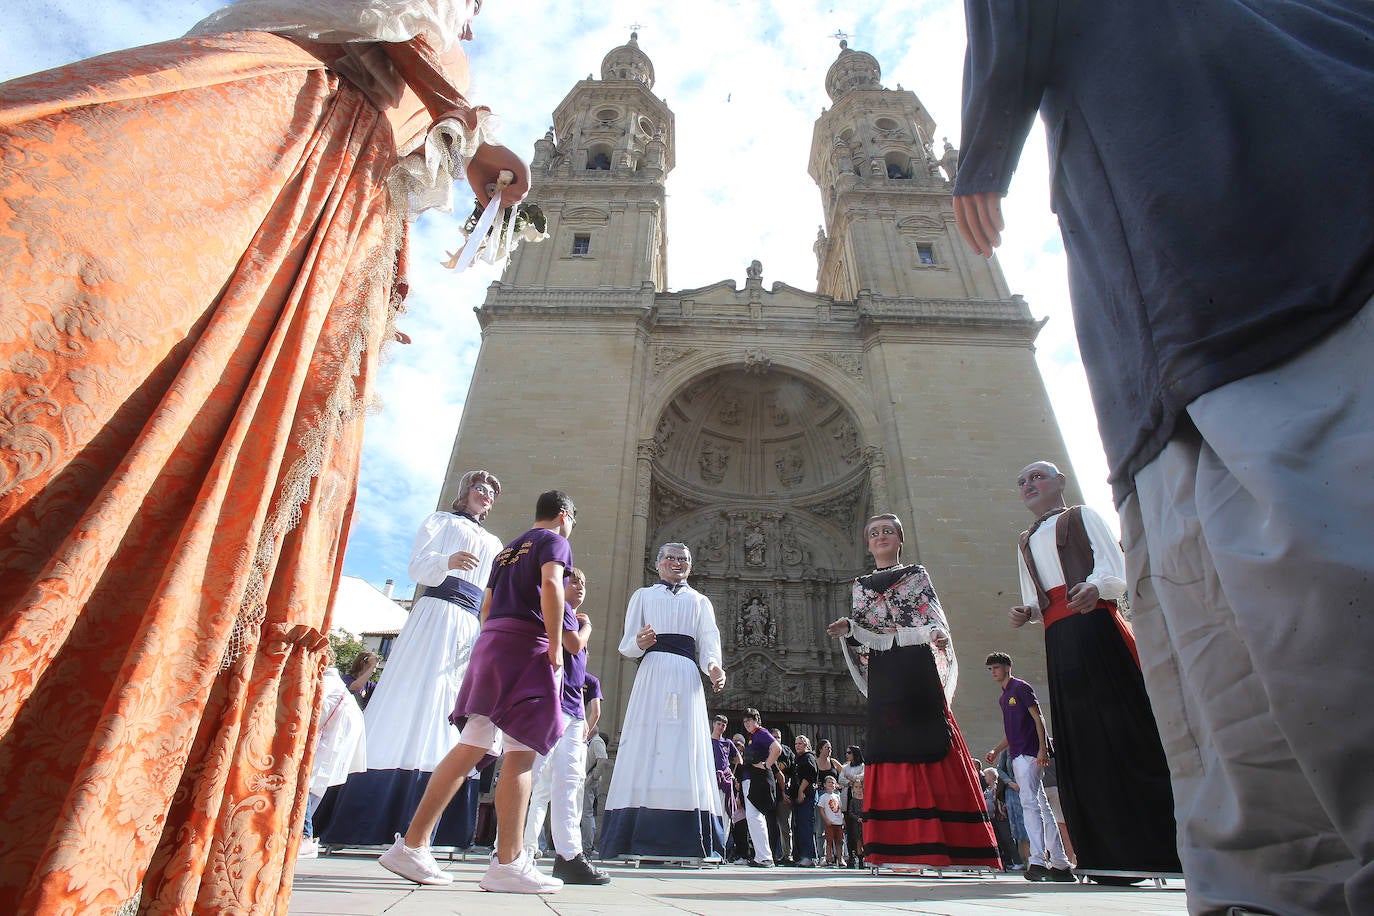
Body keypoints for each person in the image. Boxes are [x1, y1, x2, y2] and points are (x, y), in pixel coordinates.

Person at [0, 0, 530, 908]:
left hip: (331, 195)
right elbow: (384, 25)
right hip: (295, 150)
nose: (475, 19)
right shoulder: (416, 31)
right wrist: (469, 132)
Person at [953, 4, 1374, 913]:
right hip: (1323, 162)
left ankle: (1277, 878)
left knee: (1228, 589)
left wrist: (983, 156)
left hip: (1205, 302)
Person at [378, 490, 578, 894]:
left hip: (492, 643)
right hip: (525, 644)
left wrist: (492, 641)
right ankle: (509, 862)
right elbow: (552, 586)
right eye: (572, 521)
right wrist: (555, 645)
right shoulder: (554, 541)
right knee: (520, 753)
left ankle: (413, 844)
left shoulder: (505, 550)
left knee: (472, 743)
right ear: (562, 515)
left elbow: (486, 605)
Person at [1008, 460, 1178, 877]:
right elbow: (1037, 597)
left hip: (1097, 624)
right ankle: (1106, 855)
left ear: (1061, 481)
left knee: (1122, 725)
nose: (1029, 484)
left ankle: (1160, 848)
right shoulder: (1025, 539)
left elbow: (1117, 570)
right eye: (1023, 481)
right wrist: (1027, 610)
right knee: (1080, 735)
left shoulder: (1082, 516)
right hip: (1059, 638)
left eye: (1038, 477)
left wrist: (1096, 587)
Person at [317, 470, 504, 848]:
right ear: (464, 493)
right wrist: (446, 560)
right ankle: (376, 811)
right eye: (479, 488)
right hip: (435, 612)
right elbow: (417, 566)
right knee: (415, 692)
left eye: (491, 492)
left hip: (468, 627)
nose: (485, 495)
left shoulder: (494, 541)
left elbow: (490, 592)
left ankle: (438, 819)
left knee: (451, 705)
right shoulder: (441, 521)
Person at [827, 515, 998, 869]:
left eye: (887, 531)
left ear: (900, 539)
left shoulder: (916, 574)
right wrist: (849, 627)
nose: (880, 537)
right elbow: (864, 625)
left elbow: (931, 615)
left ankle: (951, 848)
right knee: (888, 743)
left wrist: (936, 633)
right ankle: (894, 850)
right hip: (885, 673)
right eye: (873, 533)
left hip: (917, 664)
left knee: (930, 736)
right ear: (868, 543)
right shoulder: (860, 585)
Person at [599, 543, 728, 860]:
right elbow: (627, 644)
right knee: (647, 740)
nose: (676, 563)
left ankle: (688, 837)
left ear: (690, 566)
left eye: (683, 559)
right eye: (670, 558)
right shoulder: (642, 596)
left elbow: (709, 641)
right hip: (652, 673)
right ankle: (633, 832)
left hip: (686, 675)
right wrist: (638, 643)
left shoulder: (700, 601)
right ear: (657, 564)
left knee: (685, 743)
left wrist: (714, 667)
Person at [521, 567, 610, 885]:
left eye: (585, 583)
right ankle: (513, 851)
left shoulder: (571, 615)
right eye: (576, 582)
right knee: (532, 780)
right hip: (550, 704)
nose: (582, 587)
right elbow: (572, 646)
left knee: (570, 783)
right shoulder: (558, 611)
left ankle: (569, 856)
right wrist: (587, 626)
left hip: (573, 709)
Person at [983, 653, 1074, 882]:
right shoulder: (1003, 698)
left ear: (1007, 668)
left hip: (1030, 753)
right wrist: (996, 749)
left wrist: (1043, 748)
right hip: (1016, 753)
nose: (993, 672)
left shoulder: (1021, 688)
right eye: (990, 669)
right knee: (1041, 806)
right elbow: (1011, 732)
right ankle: (1060, 863)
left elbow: (1038, 717)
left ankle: (1037, 860)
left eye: (996, 667)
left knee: (1029, 803)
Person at [300, 662, 368, 858]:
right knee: (310, 790)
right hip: (332, 748)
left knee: (304, 786)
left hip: (326, 747)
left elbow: (313, 713)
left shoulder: (328, 684)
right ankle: (303, 836)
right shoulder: (336, 686)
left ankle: (305, 836)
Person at [740, 709, 782, 867]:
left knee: (755, 816)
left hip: (757, 779)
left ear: (756, 720)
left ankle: (765, 856)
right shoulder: (753, 736)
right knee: (753, 817)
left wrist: (766, 765)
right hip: (751, 778)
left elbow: (777, 749)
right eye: (745, 721)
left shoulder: (761, 733)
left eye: (750, 720)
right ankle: (760, 856)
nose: (747, 724)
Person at [790, 735, 819, 867]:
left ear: (806, 744)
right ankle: (802, 855)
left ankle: (808, 856)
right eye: (796, 744)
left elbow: (810, 774)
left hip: (806, 796)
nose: (797, 746)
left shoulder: (808, 758)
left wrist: (801, 791)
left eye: (800, 743)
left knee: (805, 826)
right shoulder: (798, 759)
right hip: (798, 797)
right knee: (800, 827)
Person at [771, 727, 796, 865]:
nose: (776, 739)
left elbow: (793, 773)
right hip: (769, 793)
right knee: (770, 826)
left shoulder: (787, 752)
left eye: (778, 737)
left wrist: (788, 792)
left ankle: (787, 855)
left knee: (785, 826)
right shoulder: (766, 751)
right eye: (773, 737)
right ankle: (772, 854)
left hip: (784, 794)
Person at [582, 725, 608, 854]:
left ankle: (587, 846)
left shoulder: (596, 741)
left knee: (587, 814)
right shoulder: (592, 742)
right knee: (585, 814)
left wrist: (594, 777)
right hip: (586, 781)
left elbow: (602, 759)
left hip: (588, 782)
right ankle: (586, 844)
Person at [838, 745, 865, 869]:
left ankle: (861, 856)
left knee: (860, 832)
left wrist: (852, 779)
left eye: (849, 752)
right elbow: (841, 779)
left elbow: (861, 778)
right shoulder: (845, 767)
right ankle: (851, 855)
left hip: (858, 797)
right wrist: (851, 781)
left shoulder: (862, 766)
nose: (847, 755)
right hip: (847, 797)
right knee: (850, 830)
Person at [817, 775, 847, 867]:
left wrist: (843, 819)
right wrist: (826, 819)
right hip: (830, 823)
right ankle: (829, 859)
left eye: (833, 782)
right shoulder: (823, 797)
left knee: (839, 841)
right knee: (829, 841)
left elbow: (840, 809)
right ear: (825, 785)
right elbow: (821, 809)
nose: (831, 784)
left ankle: (840, 859)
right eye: (829, 782)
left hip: (838, 822)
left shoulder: (837, 796)